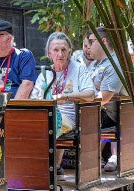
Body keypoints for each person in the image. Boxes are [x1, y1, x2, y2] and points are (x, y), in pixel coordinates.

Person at [31, 32, 95, 173]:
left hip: (70, 116)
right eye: (56, 50)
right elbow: (35, 98)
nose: (60, 54)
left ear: (70, 52)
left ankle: (46, 170)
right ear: (49, 53)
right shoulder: (45, 73)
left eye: (64, 50)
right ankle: (37, 170)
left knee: (48, 125)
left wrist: (65, 97)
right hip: (46, 115)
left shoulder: (79, 68)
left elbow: (90, 93)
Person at [85, 27, 129, 172]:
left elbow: (104, 97)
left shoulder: (114, 63)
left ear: (103, 41)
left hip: (123, 116)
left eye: (91, 42)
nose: (89, 47)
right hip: (105, 113)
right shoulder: (98, 63)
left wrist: (75, 97)